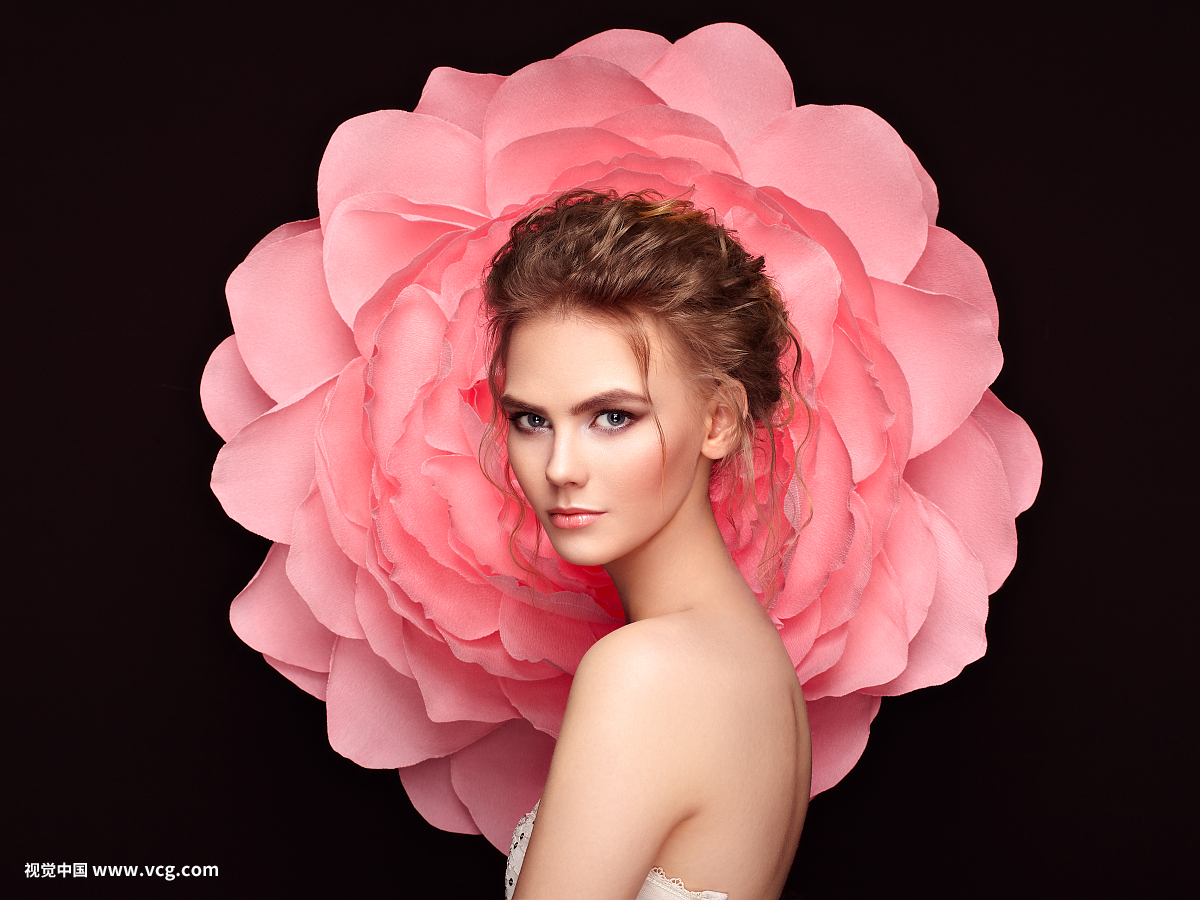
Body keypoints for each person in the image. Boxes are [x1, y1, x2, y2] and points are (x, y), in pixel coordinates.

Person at [482, 189, 811, 900]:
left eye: (611, 416)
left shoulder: (646, 671)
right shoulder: (752, 658)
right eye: (532, 420)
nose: (561, 468)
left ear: (720, 420)